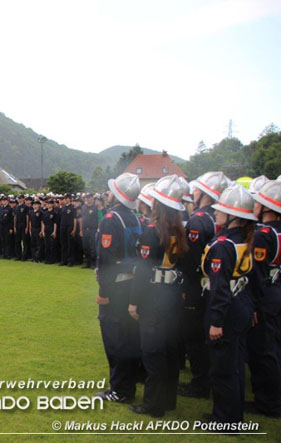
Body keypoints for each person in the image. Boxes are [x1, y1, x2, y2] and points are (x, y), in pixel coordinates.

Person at [128, 175, 188, 417]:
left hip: (154, 297)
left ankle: (153, 405)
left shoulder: (153, 231)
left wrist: (133, 302)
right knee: (171, 352)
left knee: (153, 353)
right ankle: (168, 400)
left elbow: (142, 271)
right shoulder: (179, 230)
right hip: (172, 295)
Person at [201, 183, 256, 425]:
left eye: (221, 209)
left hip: (227, 310)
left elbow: (221, 288)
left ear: (233, 215)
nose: (215, 212)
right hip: (241, 303)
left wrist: (216, 321)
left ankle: (225, 419)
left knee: (223, 368)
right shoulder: (244, 238)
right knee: (234, 365)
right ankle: (230, 414)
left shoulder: (223, 244)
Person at [177, 171, 231, 399]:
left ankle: (200, 384)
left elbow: (191, 259)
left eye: (197, 190)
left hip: (195, 285)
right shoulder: (214, 217)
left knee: (194, 338)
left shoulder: (199, 220)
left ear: (206, 193)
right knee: (201, 336)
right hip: (209, 284)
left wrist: (185, 287)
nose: (194, 193)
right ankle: (204, 379)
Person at [96, 172, 142, 403]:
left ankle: (120, 389)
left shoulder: (111, 219)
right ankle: (128, 382)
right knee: (128, 335)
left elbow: (106, 259)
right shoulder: (134, 216)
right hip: (131, 283)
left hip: (115, 287)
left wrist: (104, 291)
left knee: (115, 340)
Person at [247, 180, 281, 417]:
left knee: (263, 350)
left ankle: (268, 402)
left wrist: (254, 305)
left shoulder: (264, 234)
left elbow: (257, 274)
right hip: (276, 288)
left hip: (266, 293)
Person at [80, 193, 99, 269]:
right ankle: (87, 263)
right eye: (86, 198)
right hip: (85, 229)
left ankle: (93, 263)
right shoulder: (83, 207)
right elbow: (81, 219)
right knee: (86, 246)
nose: (87, 199)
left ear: (92, 198)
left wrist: (98, 229)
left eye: (88, 198)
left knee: (93, 247)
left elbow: (99, 219)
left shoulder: (96, 207)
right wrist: (81, 230)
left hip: (93, 229)